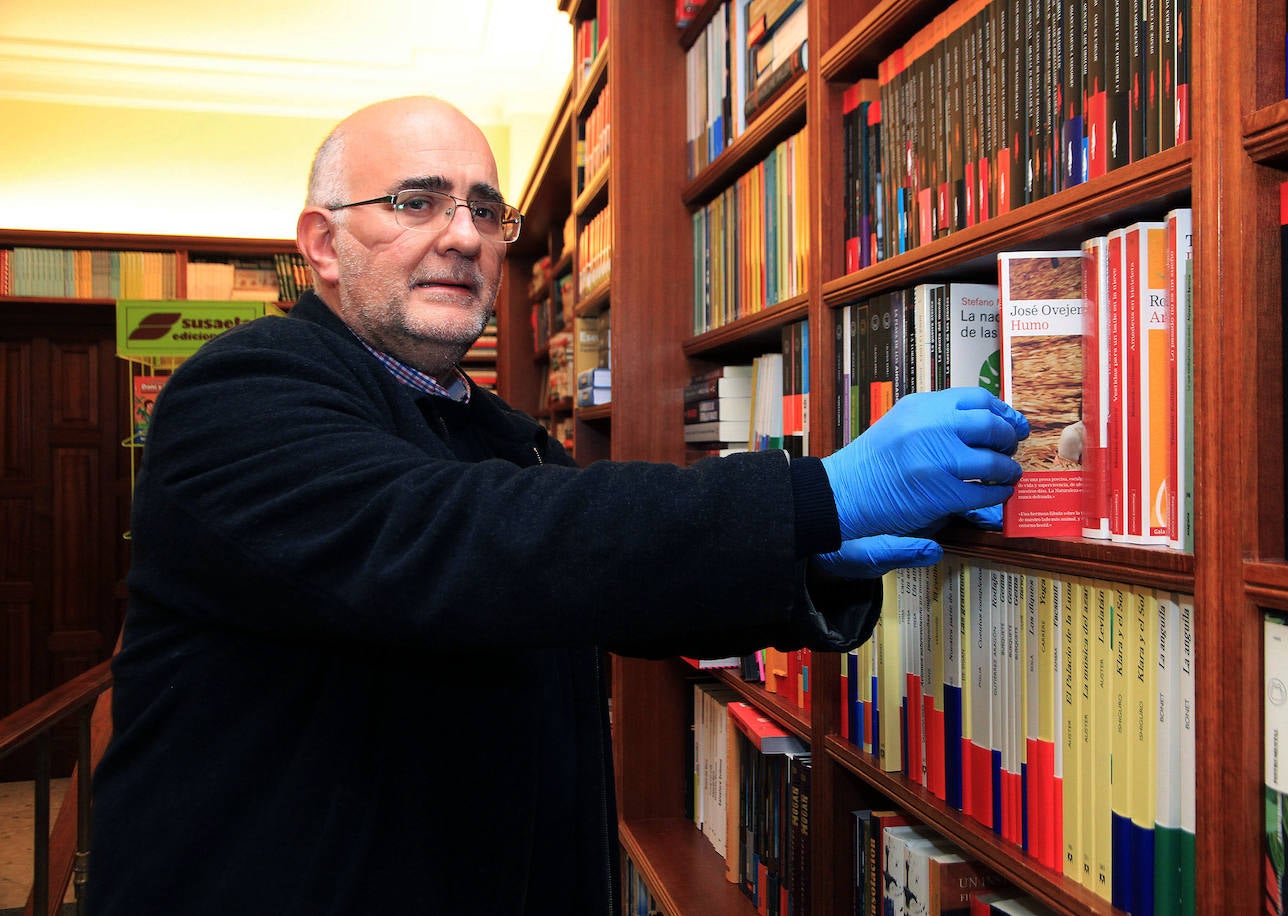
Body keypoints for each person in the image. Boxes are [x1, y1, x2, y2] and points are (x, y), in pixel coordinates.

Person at [90, 96, 1028, 915]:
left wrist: (813, 557)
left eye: (485, 210)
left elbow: (594, 576)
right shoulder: (239, 392)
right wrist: (817, 493)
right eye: (416, 202)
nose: (462, 234)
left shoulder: (492, 425)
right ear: (323, 244)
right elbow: (459, 543)